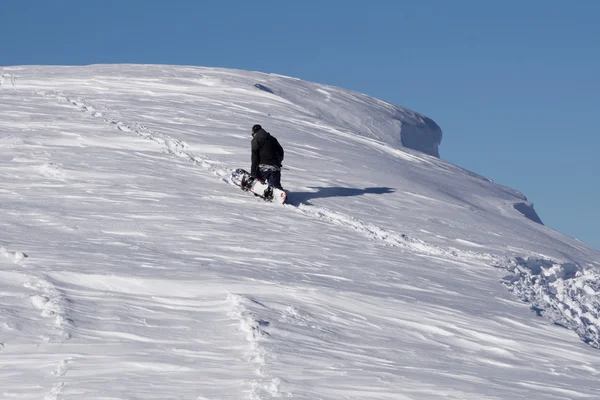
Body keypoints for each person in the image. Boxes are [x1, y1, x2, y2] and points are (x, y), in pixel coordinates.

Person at [250, 124, 284, 190]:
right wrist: (278, 162)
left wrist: (253, 174)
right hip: (275, 166)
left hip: (263, 167)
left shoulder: (256, 140)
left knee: (257, 185)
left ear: (254, 133)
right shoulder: (273, 139)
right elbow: (281, 151)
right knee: (275, 187)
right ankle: (280, 195)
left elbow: (254, 158)